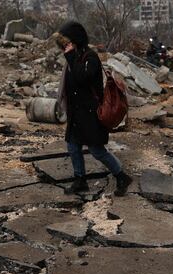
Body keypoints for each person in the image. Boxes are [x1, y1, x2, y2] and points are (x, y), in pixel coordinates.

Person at [56, 21, 131, 195]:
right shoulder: (73, 58)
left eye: (67, 43)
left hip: (90, 113)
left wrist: (71, 57)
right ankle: (80, 179)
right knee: (73, 147)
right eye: (64, 45)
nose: (65, 48)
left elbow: (82, 77)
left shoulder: (90, 57)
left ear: (76, 40)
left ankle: (121, 176)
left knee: (97, 150)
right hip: (76, 113)